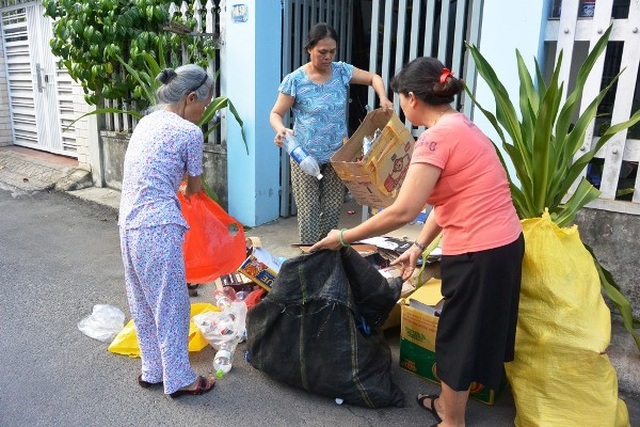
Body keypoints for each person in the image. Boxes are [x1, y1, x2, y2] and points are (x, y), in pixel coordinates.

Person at [310, 57, 524, 427]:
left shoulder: (434, 140)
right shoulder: (464, 126)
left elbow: (403, 211)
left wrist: (342, 236)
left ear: (412, 98)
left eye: (400, 98)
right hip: (504, 245)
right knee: (477, 329)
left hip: (478, 252)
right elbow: (448, 199)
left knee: (457, 335)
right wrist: (418, 247)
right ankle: (449, 403)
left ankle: (451, 420)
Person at [118, 64, 216, 398]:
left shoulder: (147, 122)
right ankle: (180, 379)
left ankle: (153, 371)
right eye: (203, 105)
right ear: (190, 98)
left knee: (142, 300)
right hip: (158, 226)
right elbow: (193, 190)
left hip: (128, 223)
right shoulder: (189, 133)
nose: (203, 112)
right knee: (172, 304)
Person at [270, 22, 394, 245]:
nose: (328, 57)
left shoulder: (342, 71)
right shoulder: (295, 80)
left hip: (338, 155)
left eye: (332, 51)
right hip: (304, 156)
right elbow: (276, 113)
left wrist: (383, 97)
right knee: (308, 211)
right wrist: (281, 129)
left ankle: (326, 255)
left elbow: (374, 78)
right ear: (309, 49)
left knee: (332, 208)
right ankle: (308, 258)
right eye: (322, 52)